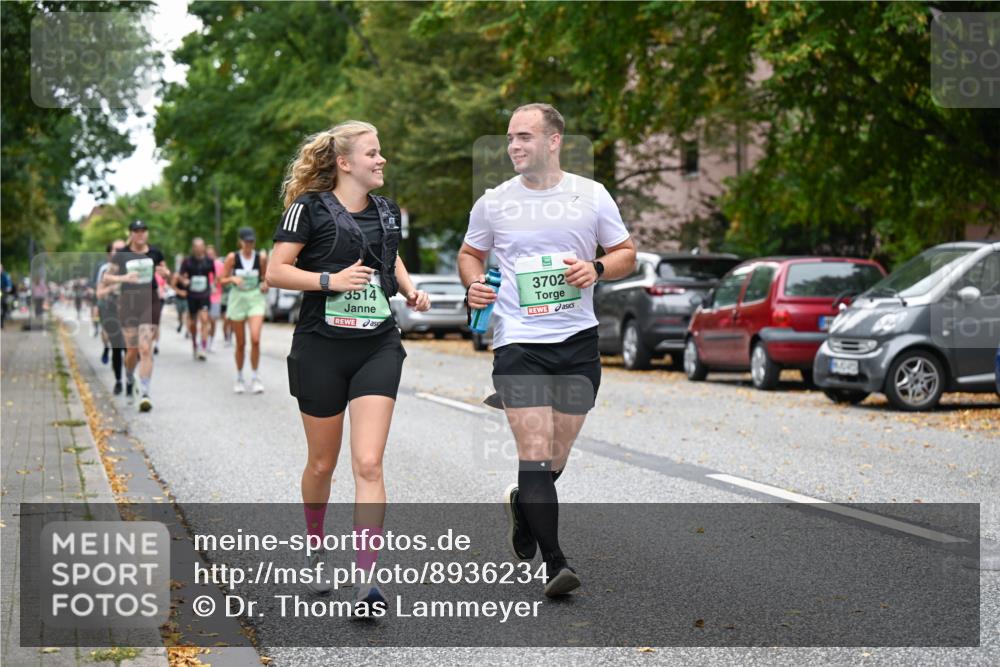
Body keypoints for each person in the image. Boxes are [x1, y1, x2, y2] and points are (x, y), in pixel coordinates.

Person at [459, 103, 636, 598]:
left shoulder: (591, 195)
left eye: (524, 136)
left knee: (556, 457)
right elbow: (470, 254)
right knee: (535, 456)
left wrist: (596, 269)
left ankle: (524, 504)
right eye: (509, 138)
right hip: (519, 342)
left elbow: (625, 254)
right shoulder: (495, 202)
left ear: (554, 141)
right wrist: (474, 284)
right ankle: (556, 563)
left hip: (578, 341)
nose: (513, 146)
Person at [267, 120, 430, 605]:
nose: (381, 160)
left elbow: (389, 257)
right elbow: (276, 271)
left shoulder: (387, 210)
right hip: (321, 347)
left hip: (377, 344)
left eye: (380, 152)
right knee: (322, 464)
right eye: (372, 153)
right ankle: (316, 550)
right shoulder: (308, 208)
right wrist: (329, 281)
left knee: (369, 463)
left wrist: (410, 289)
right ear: (344, 163)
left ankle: (366, 579)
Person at [103, 220, 171, 412]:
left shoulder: (155, 252)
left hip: (150, 301)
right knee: (132, 350)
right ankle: (129, 376)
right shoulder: (122, 254)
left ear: (147, 233)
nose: (140, 234)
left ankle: (145, 393)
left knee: (145, 348)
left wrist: (165, 272)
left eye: (143, 231)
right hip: (129, 302)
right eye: (136, 231)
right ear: (131, 234)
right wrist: (124, 278)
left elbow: (166, 272)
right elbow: (106, 278)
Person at [222, 227, 268, 393]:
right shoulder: (232, 258)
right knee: (240, 343)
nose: (249, 244)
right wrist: (232, 278)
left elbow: (265, 278)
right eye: (246, 241)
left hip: (255, 298)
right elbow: (220, 280)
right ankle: (240, 376)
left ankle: (255, 376)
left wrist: (265, 284)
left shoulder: (261, 258)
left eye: (251, 241)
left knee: (255, 339)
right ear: (240, 242)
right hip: (238, 299)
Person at [173, 238, 216, 361]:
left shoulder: (209, 261)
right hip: (192, 295)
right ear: (193, 248)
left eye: (201, 246)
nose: (199, 249)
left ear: (204, 247)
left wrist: (213, 285)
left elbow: (215, 275)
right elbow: (180, 275)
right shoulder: (187, 261)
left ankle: (203, 347)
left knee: (204, 319)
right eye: (196, 247)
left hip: (204, 294)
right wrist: (184, 281)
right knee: (192, 323)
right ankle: (194, 343)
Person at [96, 241, 128, 394]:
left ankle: (130, 380)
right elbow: (99, 293)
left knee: (130, 348)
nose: (120, 252)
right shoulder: (106, 270)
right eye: (117, 249)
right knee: (117, 347)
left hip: (129, 311)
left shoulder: (131, 267)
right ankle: (119, 381)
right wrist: (113, 287)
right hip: (111, 310)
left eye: (123, 249)